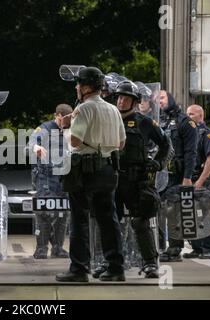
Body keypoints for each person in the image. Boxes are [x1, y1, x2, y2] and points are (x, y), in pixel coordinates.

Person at [55, 67, 126, 282]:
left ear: (86, 87)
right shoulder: (113, 109)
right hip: (108, 170)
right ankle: (115, 268)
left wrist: (66, 127)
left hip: (85, 171)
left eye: (78, 84)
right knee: (108, 220)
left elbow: (75, 141)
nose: (76, 87)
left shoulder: (84, 109)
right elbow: (121, 143)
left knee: (80, 220)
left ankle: (79, 269)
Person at [113, 80, 171, 278]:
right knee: (111, 221)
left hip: (137, 179)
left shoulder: (144, 122)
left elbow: (165, 144)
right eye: (119, 97)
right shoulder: (108, 119)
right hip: (112, 178)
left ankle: (149, 264)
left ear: (135, 102)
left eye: (126, 98)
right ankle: (110, 262)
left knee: (140, 222)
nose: (121, 102)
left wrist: (158, 163)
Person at [158, 90, 198, 262]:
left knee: (175, 211)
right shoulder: (161, 122)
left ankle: (175, 248)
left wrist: (187, 177)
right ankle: (161, 246)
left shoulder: (185, 122)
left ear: (171, 99)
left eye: (162, 98)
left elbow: (191, 152)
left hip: (178, 174)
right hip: (162, 173)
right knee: (161, 210)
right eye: (156, 99)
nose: (159, 101)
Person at [29, 103, 73, 259]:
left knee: (63, 214)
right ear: (58, 116)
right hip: (45, 177)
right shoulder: (45, 128)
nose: (67, 124)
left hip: (64, 177)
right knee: (44, 212)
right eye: (66, 120)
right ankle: (41, 248)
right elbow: (33, 141)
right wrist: (36, 148)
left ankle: (58, 247)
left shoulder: (70, 130)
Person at [183, 104, 210, 259]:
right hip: (192, 179)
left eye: (191, 114)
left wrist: (200, 181)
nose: (188, 117)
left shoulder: (207, 134)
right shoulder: (191, 133)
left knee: (203, 215)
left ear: (200, 116)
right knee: (192, 216)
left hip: (202, 180)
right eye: (187, 114)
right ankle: (198, 248)